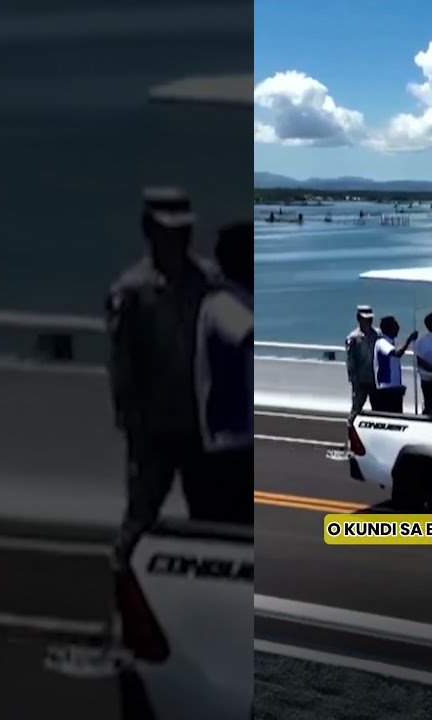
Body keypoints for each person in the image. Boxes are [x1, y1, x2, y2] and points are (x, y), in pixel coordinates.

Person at [106, 187, 216, 568]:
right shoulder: (132, 290)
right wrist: (132, 421)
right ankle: (124, 607)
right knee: (139, 520)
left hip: (200, 426)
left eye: (183, 230)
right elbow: (123, 365)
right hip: (154, 428)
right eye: (170, 231)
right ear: (150, 231)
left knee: (211, 524)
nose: (178, 238)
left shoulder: (207, 281)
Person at [189, 221, 253, 525]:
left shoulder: (242, 302)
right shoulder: (222, 303)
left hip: (244, 446)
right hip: (228, 446)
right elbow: (249, 335)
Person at [371, 316, 418, 412]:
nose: (398, 328)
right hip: (385, 389)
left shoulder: (390, 343)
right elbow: (397, 353)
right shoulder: (382, 342)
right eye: (395, 326)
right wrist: (409, 340)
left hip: (393, 388)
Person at [345, 305, 378, 420]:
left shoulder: (377, 335)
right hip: (360, 380)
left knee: (378, 410)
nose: (369, 321)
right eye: (366, 319)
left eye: (370, 319)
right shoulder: (353, 337)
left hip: (375, 380)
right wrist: (353, 379)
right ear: (359, 318)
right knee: (356, 410)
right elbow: (350, 360)